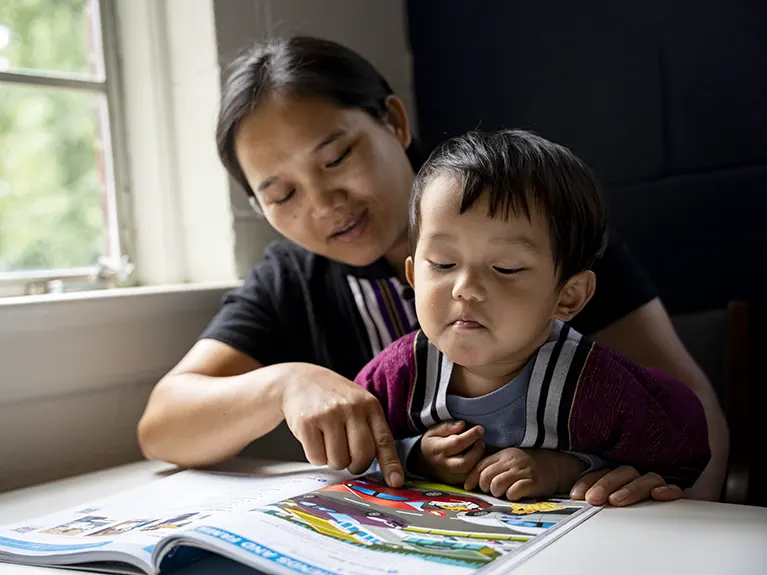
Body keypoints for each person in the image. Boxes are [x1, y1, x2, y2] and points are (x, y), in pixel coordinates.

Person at [136, 36, 728, 506]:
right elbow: (163, 426)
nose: (323, 204)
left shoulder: (537, 221)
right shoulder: (293, 281)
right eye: (282, 193)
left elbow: (688, 416)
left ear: (394, 121)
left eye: (337, 156)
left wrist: (666, 503)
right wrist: (285, 382)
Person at [353, 129, 710, 500]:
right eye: (443, 264)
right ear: (414, 277)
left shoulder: (596, 388)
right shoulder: (399, 374)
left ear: (567, 296)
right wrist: (417, 457)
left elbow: (686, 456)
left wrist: (570, 468)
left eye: (505, 268)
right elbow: (354, 452)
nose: (465, 287)